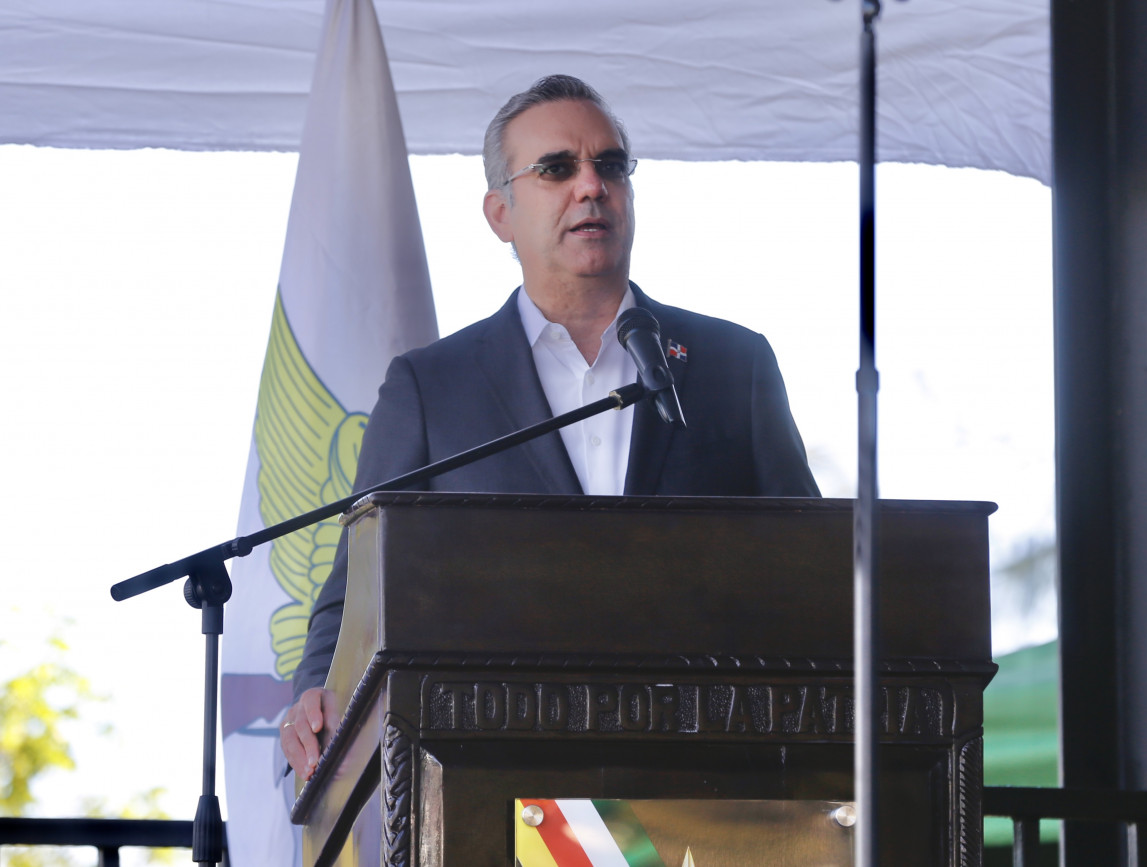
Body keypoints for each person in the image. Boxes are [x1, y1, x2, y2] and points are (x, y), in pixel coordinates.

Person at [279, 74, 819, 779]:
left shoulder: (732, 365)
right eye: (557, 168)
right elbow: (357, 590)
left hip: (705, 772)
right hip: (495, 780)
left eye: (611, 165)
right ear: (500, 212)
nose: (591, 186)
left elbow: (811, 569)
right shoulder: (432, 389)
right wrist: (315, 691)